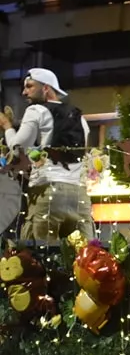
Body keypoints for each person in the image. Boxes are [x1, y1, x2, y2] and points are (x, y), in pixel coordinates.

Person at [0, 68, 93, 242]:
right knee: (81, 257)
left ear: (46, 88)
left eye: (29, 86)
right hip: (79, 194)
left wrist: (6, 126)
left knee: (41, 253)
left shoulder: (36, 110)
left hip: (48, 190)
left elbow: (17, 146)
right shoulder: (80, 117)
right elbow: (86, 151)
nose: (24, 92)